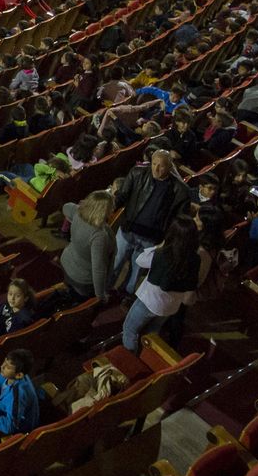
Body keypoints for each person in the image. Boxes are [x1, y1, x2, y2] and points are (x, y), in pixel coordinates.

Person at [121, 219, 210, 352]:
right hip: (170, 306)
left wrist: (160, 246)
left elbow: (140, 260)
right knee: (152, 333)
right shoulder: (195, 259)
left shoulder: (163, 254)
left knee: (130, 330)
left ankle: (130, 358)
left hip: (149, 302)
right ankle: (146, 356)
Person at [111, 150, 192, 293]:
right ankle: (105, 290)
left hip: (151, 238)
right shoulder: (137, 173)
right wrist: (107, 207)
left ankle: (125, 294)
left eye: (161, 166)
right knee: (116, 263)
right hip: (128, 230)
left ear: (170, 167)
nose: (156, 169)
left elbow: (178, 221)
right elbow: (123, 196)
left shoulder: (180, 190)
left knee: (136, 271)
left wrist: (166, 241)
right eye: (154, 164)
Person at [60, 191, 117, 301]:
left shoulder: (77, 212)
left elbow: (65, 207)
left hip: (66, 262)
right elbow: (98, 269)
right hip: (82, 279)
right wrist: (100, 295)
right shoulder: (99, 235)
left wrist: (80, 207)